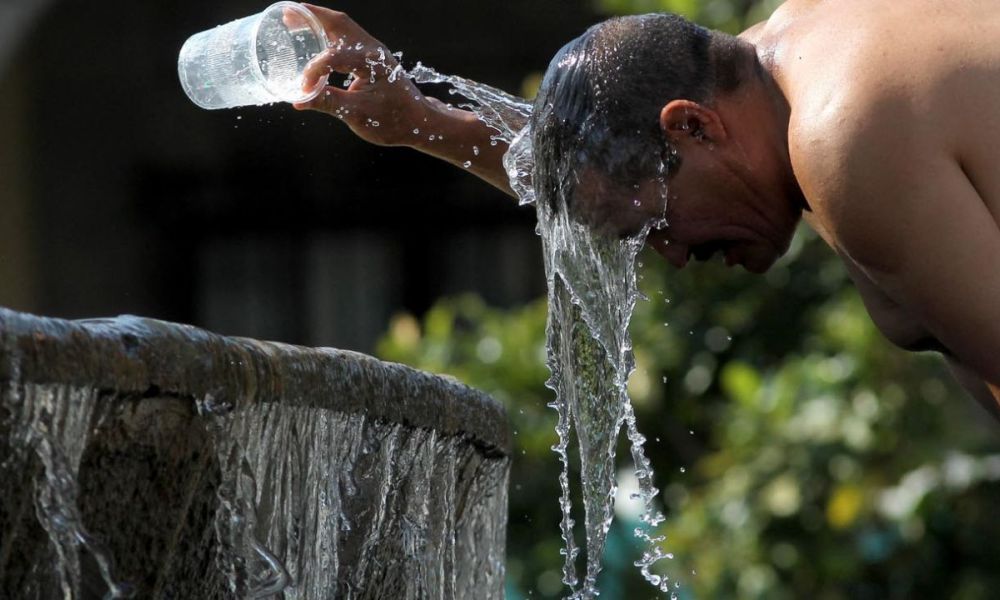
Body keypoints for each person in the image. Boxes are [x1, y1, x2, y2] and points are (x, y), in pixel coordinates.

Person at [292, 2, 1000, 419]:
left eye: (655, 225)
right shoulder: (790, 54)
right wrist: (418, 117)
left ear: (693, 126)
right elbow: (597, 168)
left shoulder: (844, 141)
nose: (673, 253)